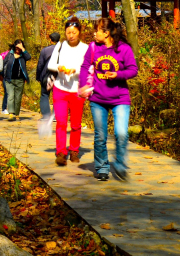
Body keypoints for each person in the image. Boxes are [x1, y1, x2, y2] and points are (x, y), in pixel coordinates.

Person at [79, 18, 138, 182]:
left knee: (121, 133)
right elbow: (84, 67)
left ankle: (119, 163)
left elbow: (133, 70)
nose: (94, 33)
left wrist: (117, 75)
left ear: (106, 33)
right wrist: (84, 85)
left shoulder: (123, 49)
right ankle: (102, 167)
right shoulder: (93, 47)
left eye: (97, 30)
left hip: (120, 98)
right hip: (98, 98)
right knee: (100, 135)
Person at [47, 18, 88, 165]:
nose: (71, 35)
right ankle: (61, 153)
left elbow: (89, 68)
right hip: (60, 88)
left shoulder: (85, 48)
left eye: (74, 32)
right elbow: (51, 64)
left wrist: (75, 70)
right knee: (61, 122)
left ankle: (74, 151)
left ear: (79, 32)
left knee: (76, 124)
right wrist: (60, 67)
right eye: (68, 32)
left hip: (77, 90)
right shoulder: (60, 46)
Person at [2, 39, 31, 121]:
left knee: (18, 98)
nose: (18, 50)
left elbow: (29, 57)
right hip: (9, 80)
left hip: (20, 80)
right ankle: (11, 113)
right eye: (17, 48)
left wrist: (23, 49)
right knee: (10, 96)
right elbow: (4, 63)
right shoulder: (10, 54)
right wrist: (2, 75)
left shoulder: (23, 56)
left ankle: (17, 114)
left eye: (20, 48)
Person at [36, 32, 62, 118]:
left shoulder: (45, 50)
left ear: (50, 39)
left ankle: (46, 115)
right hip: (59, 76)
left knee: (44, 95)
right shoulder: (62, 50)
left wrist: (38, 76)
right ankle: (55, 116)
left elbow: (40, 64)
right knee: (57, 95)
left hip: (46, 75)